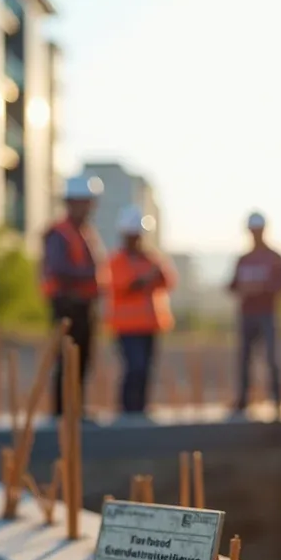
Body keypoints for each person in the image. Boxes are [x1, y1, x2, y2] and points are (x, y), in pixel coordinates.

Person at [41, 174, 105, 417]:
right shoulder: (60, 233)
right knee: (67, 360)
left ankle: (75, 409)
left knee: (82, 359)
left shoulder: (85, 233)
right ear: (71, 202)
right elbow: (58, 268)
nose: (89, 208)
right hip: (67, 305)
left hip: (84, 305)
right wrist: (89, 275)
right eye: (84, 202)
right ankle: (63, 413)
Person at [106, 206, 177, 415]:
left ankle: (141, 409)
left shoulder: (151, 258)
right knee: (134, 368)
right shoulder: (116, 260)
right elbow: (124, 285)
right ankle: (128, 410)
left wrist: (156, 271)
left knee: (145, 369)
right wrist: (147, 278)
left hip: (149, 326)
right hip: (126, 327)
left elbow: (168, 281)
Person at [228, 211, 281, 418]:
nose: (255, 235)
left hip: (266, 314)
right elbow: (232, 285)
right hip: (247, 315)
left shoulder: (274, 258)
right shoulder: (244, 259)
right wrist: (244, 288)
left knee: (271, 357)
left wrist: (261, 288)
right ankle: (243, 399)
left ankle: (277, 400)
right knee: (244, 358)